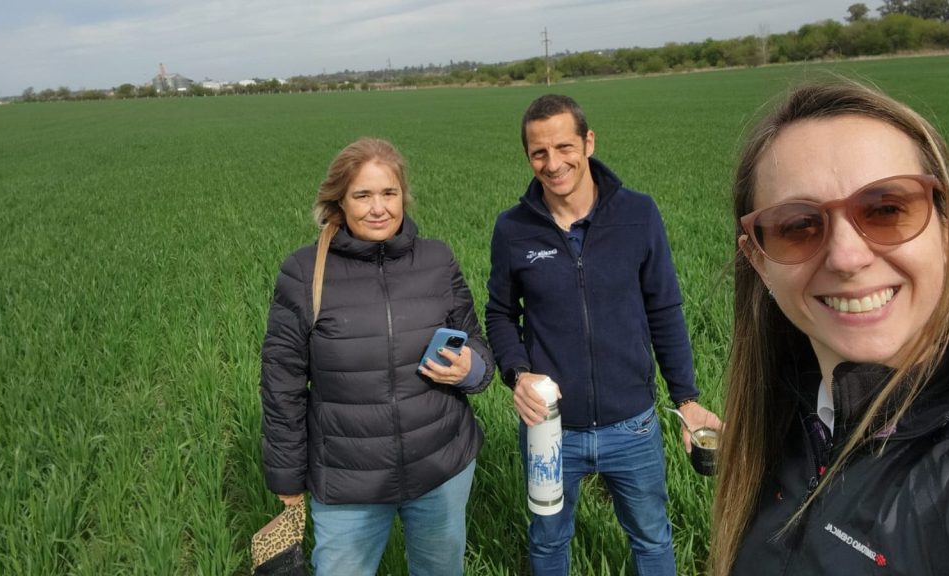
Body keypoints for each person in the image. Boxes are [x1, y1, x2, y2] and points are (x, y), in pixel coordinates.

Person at [710, 81, 949, 575]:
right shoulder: (785, 414)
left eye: (887, 209)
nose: (847, 258)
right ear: (759, 260)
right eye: (797, 225)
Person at [485, 94, 722, 575]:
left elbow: (665, 309)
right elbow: (499, 314)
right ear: (528, 156)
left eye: (564, 147)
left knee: (652, 539)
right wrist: (518, 374)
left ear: (588, 142)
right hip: (551, 431)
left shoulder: (638, 214)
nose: (553, 164)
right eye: (538, 153)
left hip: (631, 425)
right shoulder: (513, 230)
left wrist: (687, 397)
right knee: (549, 544)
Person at [260, 137, 495, 576]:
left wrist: (470, 369)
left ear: (402, 195)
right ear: (339, 201)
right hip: (349, 479)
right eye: (362, 195)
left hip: (440, 466)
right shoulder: (305, 272)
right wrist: (286, 479)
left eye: (389, 193)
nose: (378, 208)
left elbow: (478, 348)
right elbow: (282, 385)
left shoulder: (437, 260)